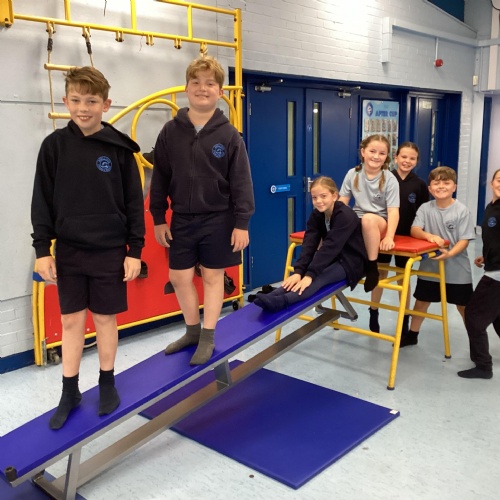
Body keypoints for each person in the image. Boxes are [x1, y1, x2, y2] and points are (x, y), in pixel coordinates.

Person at [31, 66, 145, 429]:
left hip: (110, 250)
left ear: (106, 105)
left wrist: (135, 251)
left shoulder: (119, 149)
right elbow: (41, 201)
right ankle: (70, 391)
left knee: (106, 318)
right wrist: (42, 250)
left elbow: (133, 203)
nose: (83, 108)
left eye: (92, 101)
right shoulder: (53, 147)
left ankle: (107, 381)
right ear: (66, 102)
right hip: (70, 251)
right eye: (77, 100)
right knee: (71, 321)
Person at [149, 56, 255, 365]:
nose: (202, 88)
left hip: (219, 218)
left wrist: (242, 223)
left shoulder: (229, 135)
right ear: (186, 88)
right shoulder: (170, 132)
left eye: (210, 83)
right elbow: (160, 178)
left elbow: (241, 182)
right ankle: (192, 331)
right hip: (182, 218)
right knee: (179, 277)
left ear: (220, 92)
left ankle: (208, 335)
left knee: (212, 276)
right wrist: (158, 217)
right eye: (195, 82)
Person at [253, 176, 367, 312]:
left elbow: (330, 247)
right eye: (314, 197)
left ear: (334, 196)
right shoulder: (317, 215)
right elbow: (309, 244)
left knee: (318, 278)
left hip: (351, 261)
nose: (318, 201)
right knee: (302, 275)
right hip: (332, 258)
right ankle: (272, 295)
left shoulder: (345, 215)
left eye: (323, 196)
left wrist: (309, 275)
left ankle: (282, 301)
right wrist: (299, 271)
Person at [401, 166, 475, 347]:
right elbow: (415, 229)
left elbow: (464, 240)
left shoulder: (462, 210)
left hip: (457, 268)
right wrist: (429, 236)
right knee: (422, 301)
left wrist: (450, 254)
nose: (441, 186)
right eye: (436, 183)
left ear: (454, 187)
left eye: (446, 183)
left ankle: (476, 342)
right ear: (430, 188)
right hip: (430, 267)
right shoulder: (425, 208)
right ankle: (412, 335)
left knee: (463, 306)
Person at [369, 142, 429, 334]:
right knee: (380, 273)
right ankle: (373, 311)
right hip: (384, 236)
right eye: (403, 157)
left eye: (412, 158)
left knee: (404, 279)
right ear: (395, 158)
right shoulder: (384, 178)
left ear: (416, 161)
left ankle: (404, 317)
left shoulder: (419, 184)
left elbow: (423, 212)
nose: (407, 161)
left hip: (407, 238)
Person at [338, 134, 400, 293]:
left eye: (382, 153)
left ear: (386, 157)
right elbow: (342, 202)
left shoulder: (390, 179)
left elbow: (393, 211)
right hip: (358, 220)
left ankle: (372, 267)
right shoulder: (352, 173)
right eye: (372, 151)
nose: (376, 156)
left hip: (379, 223)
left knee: (368, 219)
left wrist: (389, 237)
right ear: (363, 151)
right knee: (331, 217)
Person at [457, 169, 500, 379]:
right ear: (491, 183)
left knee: (473, 316)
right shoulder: (491, 207)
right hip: (493, 265)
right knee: (498, 315)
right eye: (499, 180)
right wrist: (486, 256)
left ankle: (483, 366)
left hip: (497, 274)